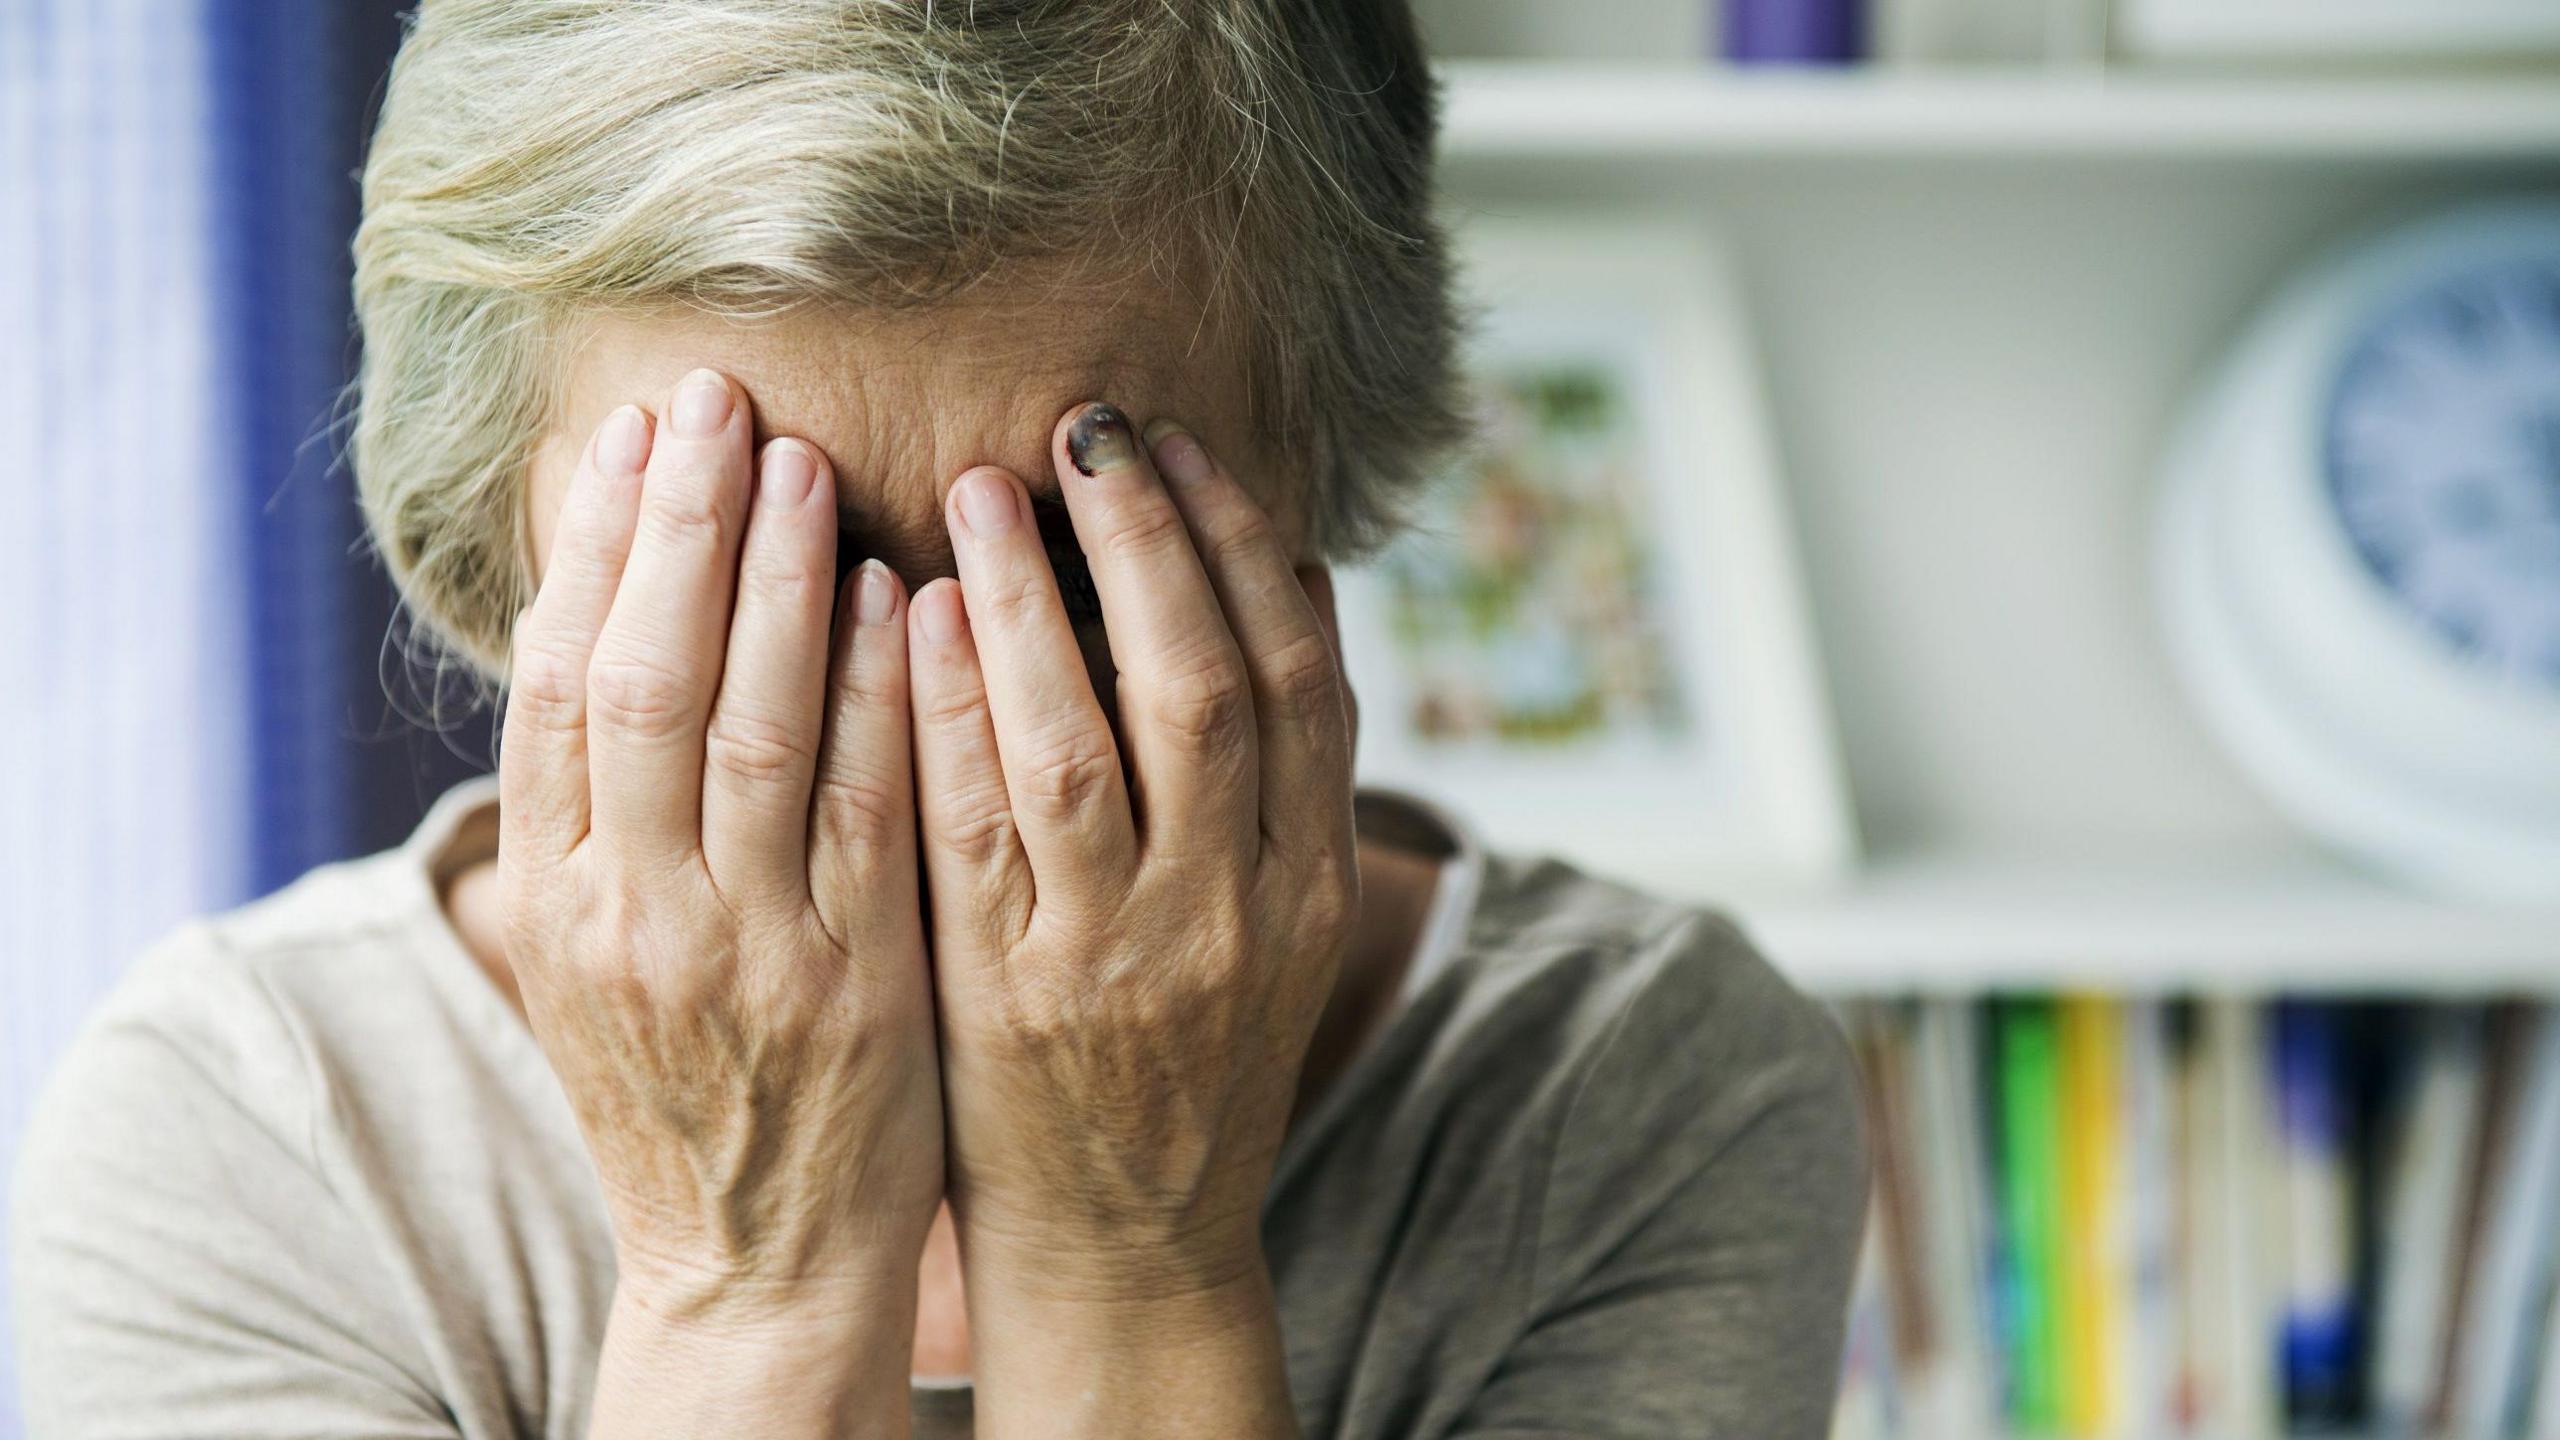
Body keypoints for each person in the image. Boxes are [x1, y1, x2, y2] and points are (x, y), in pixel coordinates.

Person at [10, 2, 1867, 1436]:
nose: (944, 754)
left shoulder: (1640, 1099)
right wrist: (744, 1288)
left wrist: (1132, 1264)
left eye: (1065, 580)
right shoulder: (250, 1140)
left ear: (1321, 488)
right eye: (746, 582)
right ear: (492, 533)